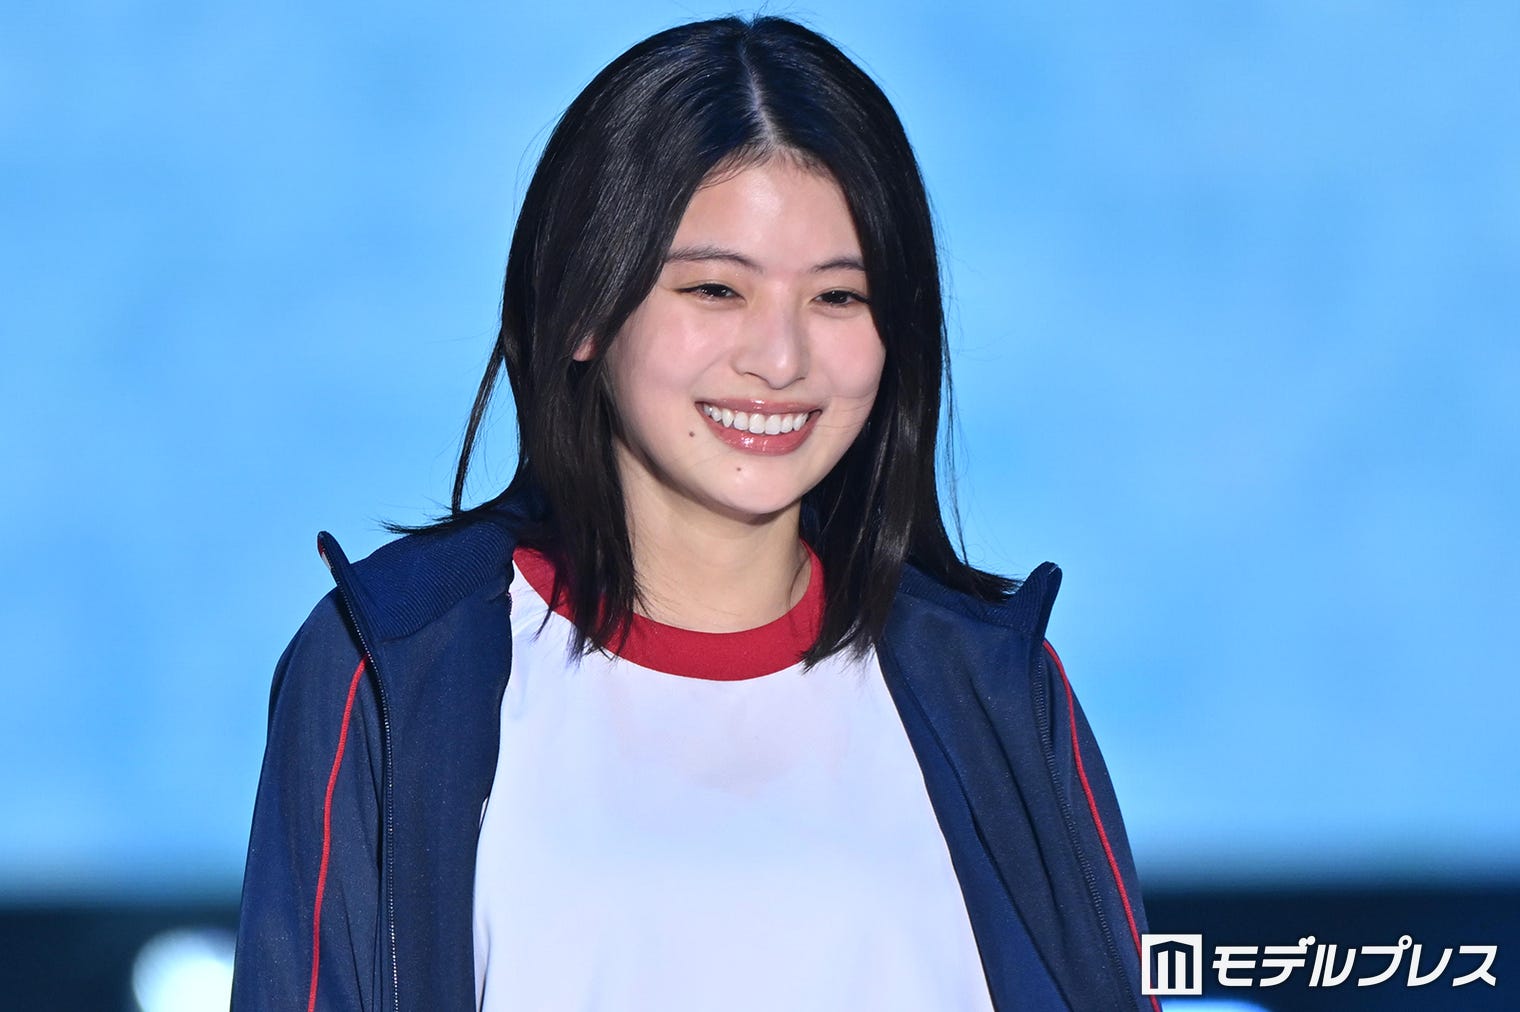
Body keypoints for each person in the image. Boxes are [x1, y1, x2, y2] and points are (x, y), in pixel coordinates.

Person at [232, 15, 1155, 1012]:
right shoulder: (401, 663)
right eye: (716, 289)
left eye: (839, 298)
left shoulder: (990, 680)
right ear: (584, 309)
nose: (781, 359)